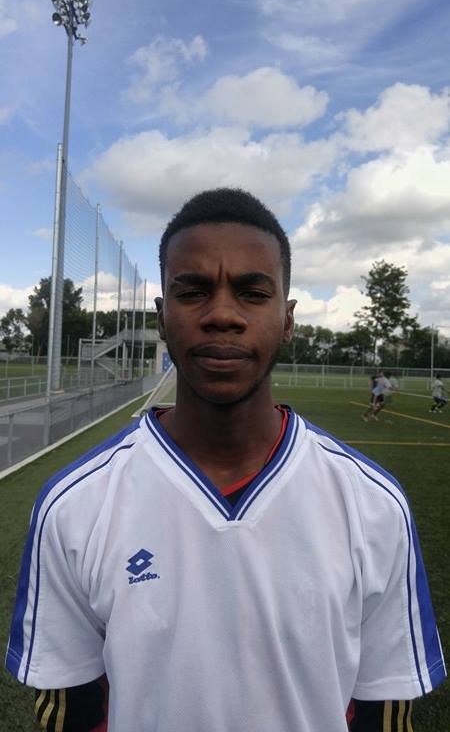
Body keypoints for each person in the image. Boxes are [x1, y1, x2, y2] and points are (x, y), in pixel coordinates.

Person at [6, 188, 446, 732]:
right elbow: (73, 708)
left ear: (287, 320)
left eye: (252, 293)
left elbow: (384, 703)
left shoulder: (373, 504)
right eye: (193, 292)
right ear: (162, 316)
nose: (221, 315)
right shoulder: (75, 505)